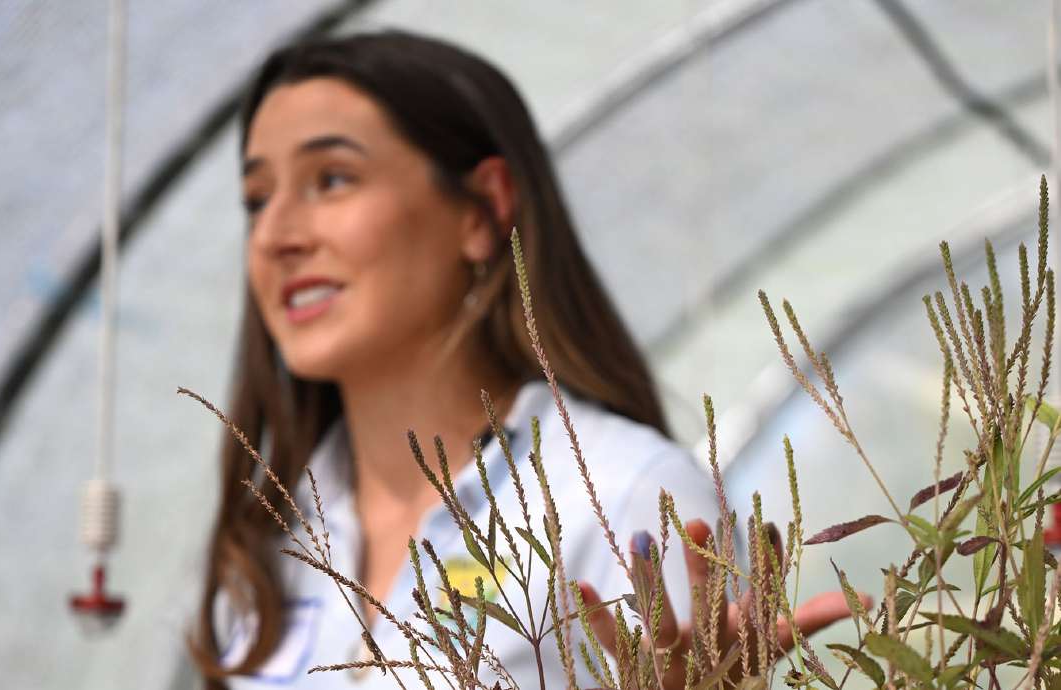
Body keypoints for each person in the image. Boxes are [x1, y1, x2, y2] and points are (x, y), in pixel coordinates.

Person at [189, 30, 854, 690]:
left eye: (331, 180)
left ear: (482, 209)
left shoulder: (623, 496)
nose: (275, 235)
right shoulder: (266, 540)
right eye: (256, 200)